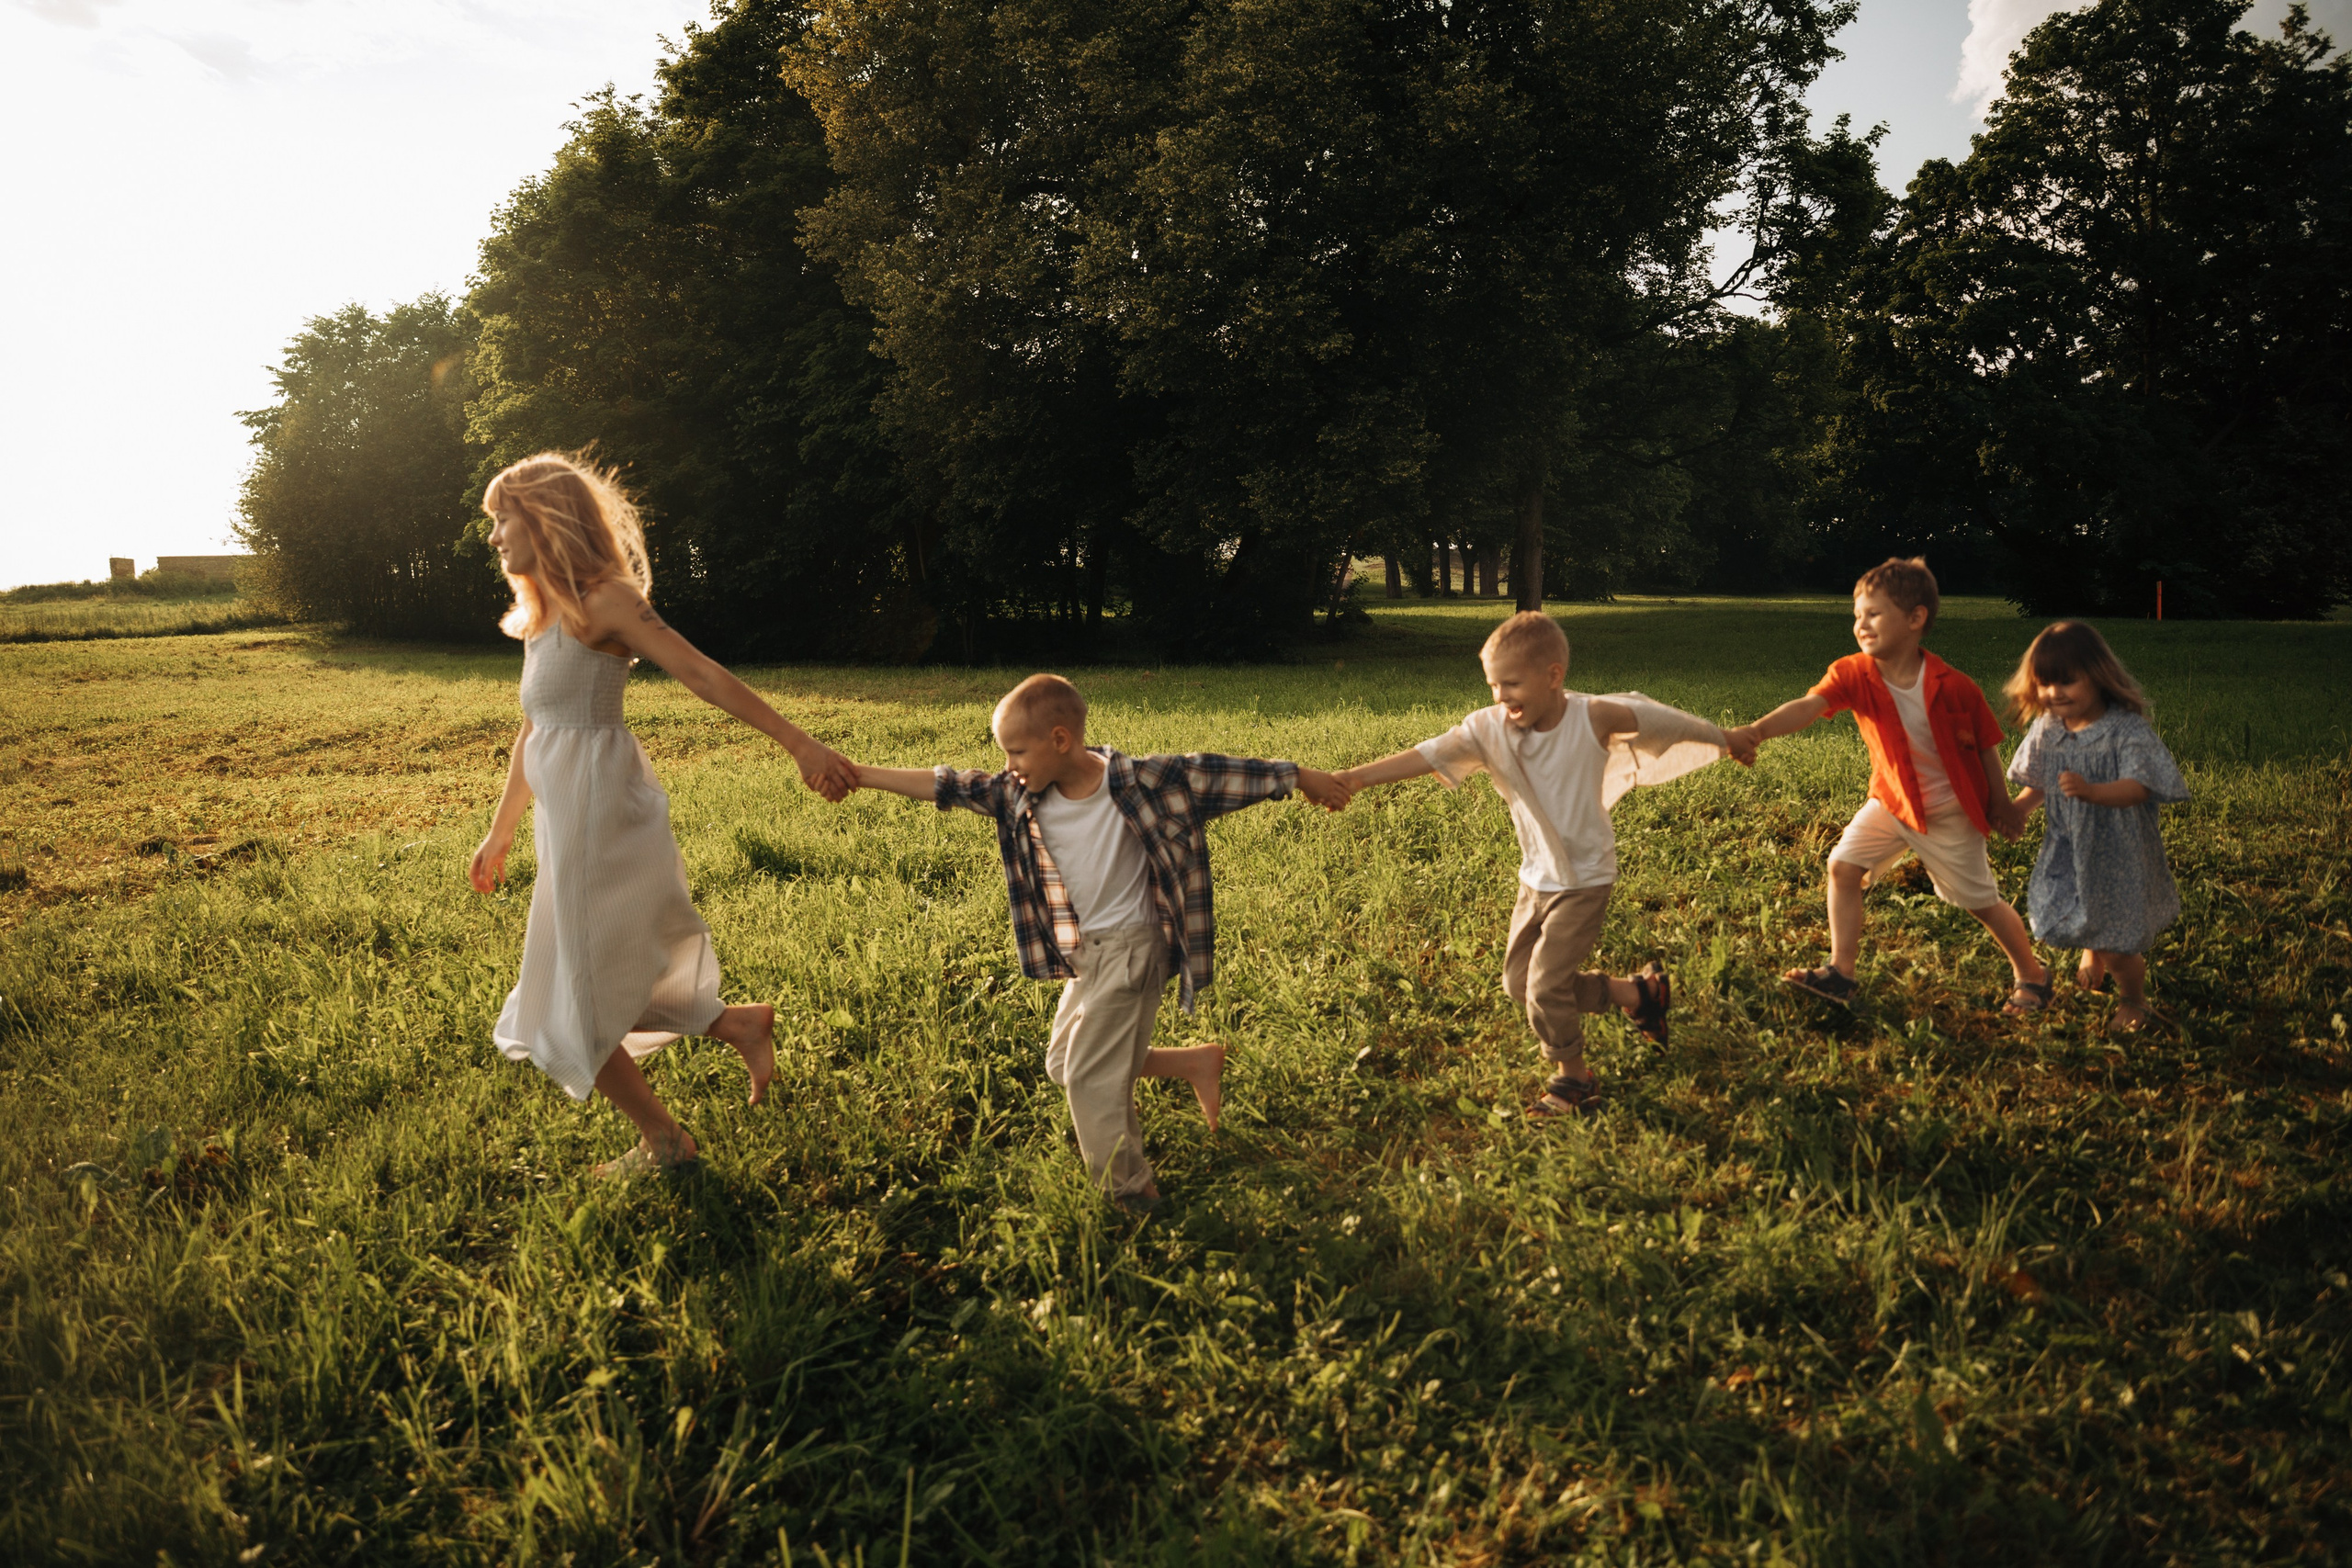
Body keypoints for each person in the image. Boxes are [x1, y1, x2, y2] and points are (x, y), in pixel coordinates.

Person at [468, 452, 854, 1176]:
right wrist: (503, 828)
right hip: (565, 822)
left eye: (501, 519)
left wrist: (798, 742)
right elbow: (535, 728)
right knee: (584, 981)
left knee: (572, 997)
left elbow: (701, 672)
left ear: (544, 518)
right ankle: (736, 1024)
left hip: (601, 812)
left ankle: (666, 1142)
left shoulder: (604, 599)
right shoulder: (542, 614)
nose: (494, 537)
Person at [849, 674, 1350, 1212]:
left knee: (1090, 1075)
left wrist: (1301, 777)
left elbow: (1225, 773)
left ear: (1060, 740)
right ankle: (1192, 1063)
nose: (1009, 764)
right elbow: (947, 784)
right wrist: (857, 774)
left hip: (1134, 948)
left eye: (1017, 751)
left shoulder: (1145, 783)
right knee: (1064, 1063)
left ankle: (1130, 1193)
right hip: (1088, 954)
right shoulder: (1018, 794)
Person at [1335, 612, 1741, 1117]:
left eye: (1511, 683)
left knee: (1546, 988)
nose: (1500, 696)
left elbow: (1660, 719)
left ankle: (1575, 1081)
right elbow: (1427, 754)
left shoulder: (1592, 717)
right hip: (1537, 878)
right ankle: (1637, 993)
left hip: (1587, 878)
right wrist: (1354, 778)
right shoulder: (1488, 730)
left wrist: (1725, 737)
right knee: (1519, 984)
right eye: (1493, 686)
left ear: (1553, 676)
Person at [1725, 557, 2052, 1014]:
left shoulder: (1955, 686)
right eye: (1857, 615)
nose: (1861, 624)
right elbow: (1808, 705)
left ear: (1916, 618)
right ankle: (1841, 973)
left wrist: (2001, 804)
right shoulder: (1852, 674)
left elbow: (1984, 747)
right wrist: (1756, 731)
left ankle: (2032, 975)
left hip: (1949, 814)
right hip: (1892, 802)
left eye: (1873, 614)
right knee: (1842, 867)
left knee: (1980, 902)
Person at [2001, 621, 2188, 1032]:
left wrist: (2093, 792)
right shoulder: (2048, 727)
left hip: (2118, 849)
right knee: (2068, 912)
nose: (2054, 693)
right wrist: (2018, 810)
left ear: (2098, 675)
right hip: (2069, 846)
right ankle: (2093, 946)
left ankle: (2133, 1001)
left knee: (2117, 941)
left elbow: (2140, 787)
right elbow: (2041, 783)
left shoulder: (2125, 730)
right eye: (2045, 683)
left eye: (2067, 681)